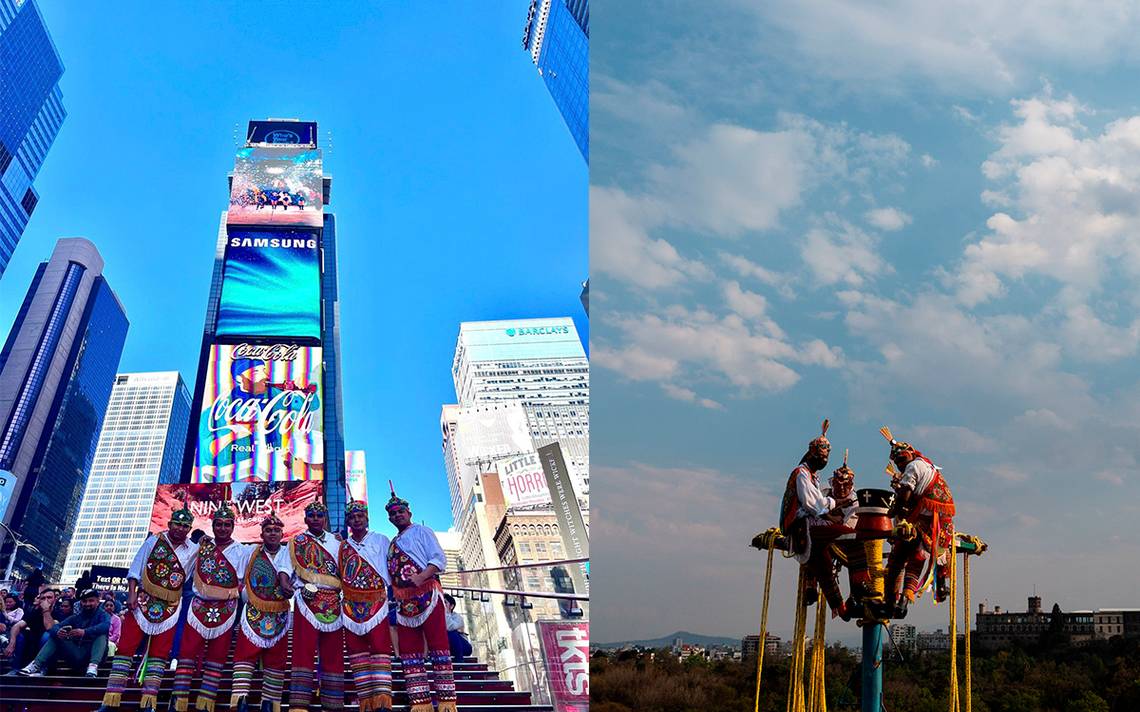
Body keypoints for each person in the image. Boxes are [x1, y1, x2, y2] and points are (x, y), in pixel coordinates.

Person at [94, 502, 199, 712]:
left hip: (170, 606)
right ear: (169, 523)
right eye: (177, 524)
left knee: (160, 654)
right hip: (142, 601)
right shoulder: (153, 541)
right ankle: (111, 700)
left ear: (189, 529)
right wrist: (132, 594)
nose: (180, 528)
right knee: (125, 648)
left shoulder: (194, 550)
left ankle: (148, 703)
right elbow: (135, 569)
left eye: (185, 526)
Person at [386, 486, 457, 712]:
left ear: (409, 513)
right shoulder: (392, 543)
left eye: (401, 512)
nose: (398, 516)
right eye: (393, 514)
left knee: (438, 645)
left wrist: (422, 576)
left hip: (427, 593)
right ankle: (420, 703)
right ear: (389, 518)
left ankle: (446, 702)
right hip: (404, 601)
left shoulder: (422, 532)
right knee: (409, 650)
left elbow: (438, 558)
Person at [169, 502, 245, 712]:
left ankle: (206, 703)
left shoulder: (242, 551)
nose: (222, 528)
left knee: (217, 655)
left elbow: (246, 580)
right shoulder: (200, 547)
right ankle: (179, 701)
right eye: (218, 524)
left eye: (226, 525)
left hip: (227, 608)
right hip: (198, 606)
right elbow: (181, 566)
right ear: (212, 525)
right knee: (187, 652)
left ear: (232, 526)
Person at [778, 419, 856, 620]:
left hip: (812, 522)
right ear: (812, 454)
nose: (824, 461)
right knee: (851, 536)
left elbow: (821, 507)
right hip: (801, 525)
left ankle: (842, 609)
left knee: (825, 567)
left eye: (827, 457)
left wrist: (835, 508)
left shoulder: (814, 477)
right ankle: (860, 588)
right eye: (822, 457)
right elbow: (816, 505)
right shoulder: (802, 474)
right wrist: (834, 504)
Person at [877, 427, 956, 619]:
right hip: (935, 518)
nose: (901, 466)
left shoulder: (913, 467)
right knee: (917, 556)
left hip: (931, 520)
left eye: (901, 461)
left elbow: (904, 496)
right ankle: (904, 598)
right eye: (898, 463)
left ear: (909, 456)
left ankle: (893, 601)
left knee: (905, 557)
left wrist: (893, 510)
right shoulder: (925, 463)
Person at [228, 514, 293, 712]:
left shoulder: (290, 553)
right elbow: (236, 569)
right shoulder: (249, 552)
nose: (272, 533)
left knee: (276, 658)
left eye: (276, 530)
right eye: (268, 530)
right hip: (253, 613)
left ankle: (270, 702)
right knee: (244, 654)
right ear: (261, 534)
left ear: (282, 533)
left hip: (279, 613)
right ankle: (240, 699)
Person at [286, 499, 345, 711]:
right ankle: (299, 703)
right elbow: (286, 569)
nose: (316, 519)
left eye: (320, 516)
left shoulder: (337, 542)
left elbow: (345, 572)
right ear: (305, 519)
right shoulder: (296, 541)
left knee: (333, 651)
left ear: (325, 519)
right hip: (306, 599)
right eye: (312, 516)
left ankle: (333, 702)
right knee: (303, 650)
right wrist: (286, 584)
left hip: (333, 601)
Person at [339, 499, 394, 712]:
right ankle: (366, 700)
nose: (356, 520)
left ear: (367, 519)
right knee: (356, 651)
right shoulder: (344, 546)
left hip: (377, 603)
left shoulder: (381, 540)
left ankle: (382, 700)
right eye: (352, 517)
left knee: (380, 648)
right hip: (351, 605)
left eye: (360, 516)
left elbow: (392, 565)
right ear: (348, 521)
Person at [18, 588, 110, 677]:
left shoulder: (103, 615)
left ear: (98, 601)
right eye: (84, 601)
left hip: (96, 657)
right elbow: (54, 628)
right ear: (81, 602)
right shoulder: (76, 617)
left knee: (101, 635)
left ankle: (93, 666)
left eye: (91, 601)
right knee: (56, 635)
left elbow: (106, 626)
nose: (87, 604)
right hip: (77, 654)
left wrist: (84, 632)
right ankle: (36, 665)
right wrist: (59, 632)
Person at [4, 588, 57, 669]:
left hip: (49, 649)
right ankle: (16, 668)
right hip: (32, 645)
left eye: (49, 597)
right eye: (43, 598)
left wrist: (46, 610)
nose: (46, 600)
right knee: (19, 635)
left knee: (47, 636)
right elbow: (17, 626)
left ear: (55, 599)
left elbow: (50, 628)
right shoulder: (34, 612)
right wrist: (12, 643)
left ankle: (43, 669)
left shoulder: (59, 612)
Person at [443, 594, 472, 662]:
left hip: (463, 647)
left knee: (452, 632)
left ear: (451, 606)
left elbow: (450, 627)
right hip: (447, 648)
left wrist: (446, 612)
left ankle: (459, 660)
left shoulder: (457, 617)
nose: (442, 604)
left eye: (445, 602)